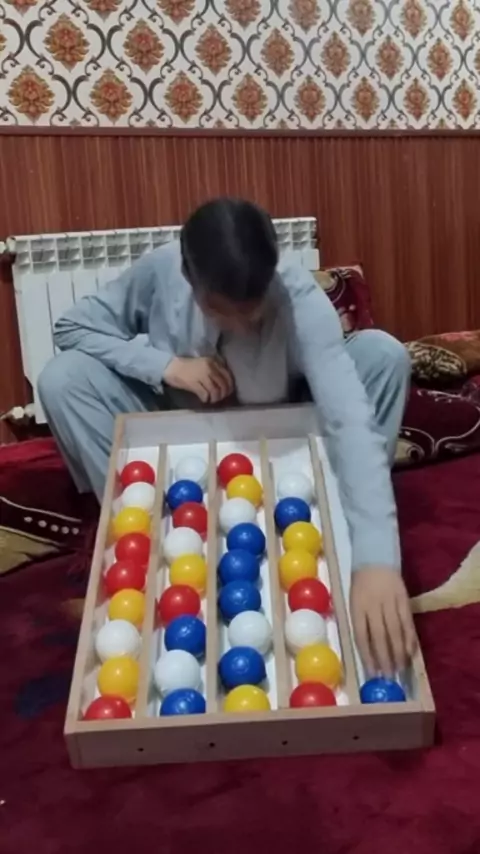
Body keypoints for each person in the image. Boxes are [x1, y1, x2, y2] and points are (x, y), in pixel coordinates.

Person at [38, 197, 416, 679]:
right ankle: (135, 536)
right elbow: (71, 327)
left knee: (384, 355)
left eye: (252, 314)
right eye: (220, 311)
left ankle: (341, 523)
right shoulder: (162, 270)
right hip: (182, 429)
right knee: (64, 378)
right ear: (189, 277)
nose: (238, 326)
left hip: (282, 431)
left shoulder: (299, 298)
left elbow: (348, 417)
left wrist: (377, 561)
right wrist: (165, 365)